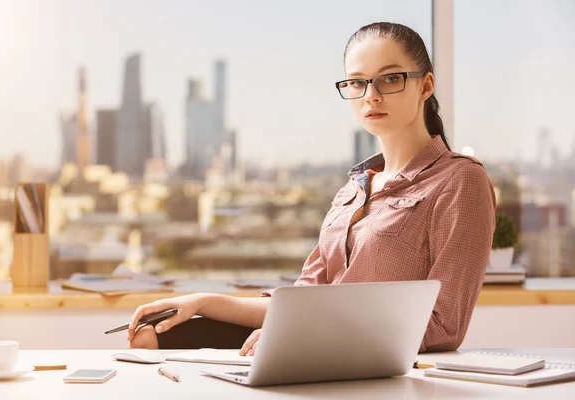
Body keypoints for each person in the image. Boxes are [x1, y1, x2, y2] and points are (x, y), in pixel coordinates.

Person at [127, 21, 496, 355]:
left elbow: (445, 327)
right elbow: (302, 301)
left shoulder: (459, 180)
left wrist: (308, 335)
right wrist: (204, 301)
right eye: (357, 81)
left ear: (425, 85)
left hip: (375, 367)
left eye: (390, 78)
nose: (371, 95)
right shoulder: (354, 189)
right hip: (316, 353)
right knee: (152, 335)